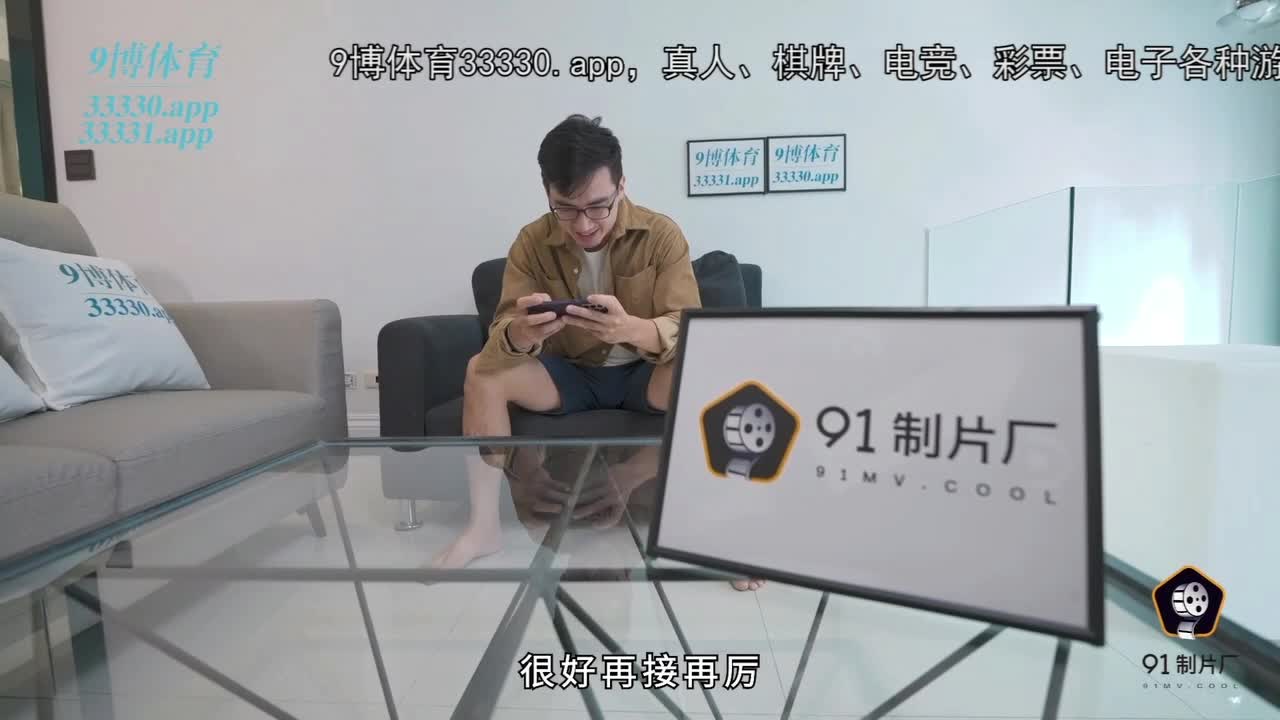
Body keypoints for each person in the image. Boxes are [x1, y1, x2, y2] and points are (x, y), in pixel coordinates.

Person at [431, 114, 765, 591]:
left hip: (643, 370)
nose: (583, 224)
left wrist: (630, 329)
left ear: (622, 186)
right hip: (568, 371)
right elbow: (503, 329)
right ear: (548, 193)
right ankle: (483, 528)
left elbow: (686, 327)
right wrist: (522, 332)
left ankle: (727, 534)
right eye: (566, 209)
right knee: (481, 371)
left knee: (714, 372)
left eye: (598, 207)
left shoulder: (661, 235)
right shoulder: (531, 241)